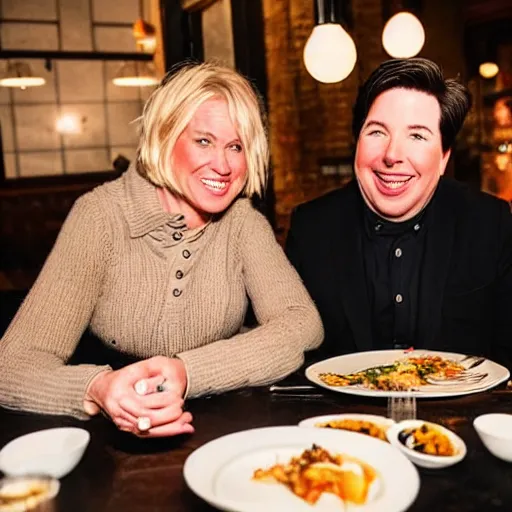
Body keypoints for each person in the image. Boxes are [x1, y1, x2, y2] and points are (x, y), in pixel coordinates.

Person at [0, 62, 323, 437]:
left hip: (228, 425)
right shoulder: (102, 216)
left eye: (236, 146)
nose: (223, 165)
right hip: (114, 440)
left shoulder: (242, 222)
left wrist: (189, 372)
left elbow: (302, 323)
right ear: (165, 134)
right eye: (204, 141)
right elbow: (11, 366)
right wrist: (96, 389)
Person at [286, 58, 512, 368]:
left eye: (417, 136)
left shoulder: (490, 223)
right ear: (357, 141)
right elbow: (290, 361)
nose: (392, 155)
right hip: (341, 416)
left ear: (444, 156)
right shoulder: (311, 228)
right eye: (377, 132)